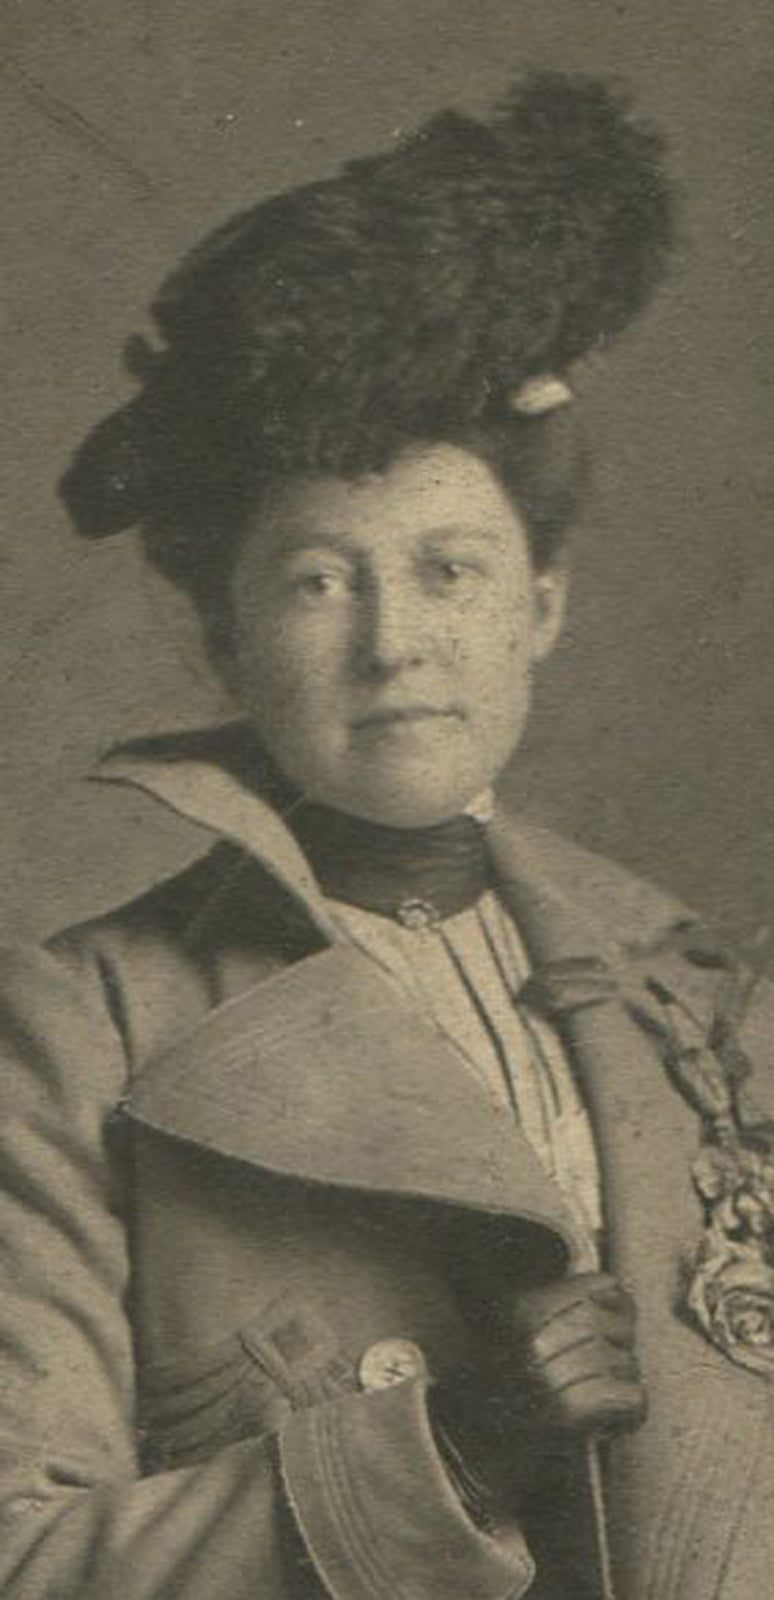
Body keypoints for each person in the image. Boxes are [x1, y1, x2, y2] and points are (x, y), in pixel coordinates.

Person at [1, 69, 772, 1600]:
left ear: (540, 606)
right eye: (314, 581)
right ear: (222, 641)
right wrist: (448, 1458)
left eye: (449, 569)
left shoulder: (710, 1000)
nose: (392, 645)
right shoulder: (80, 1027)